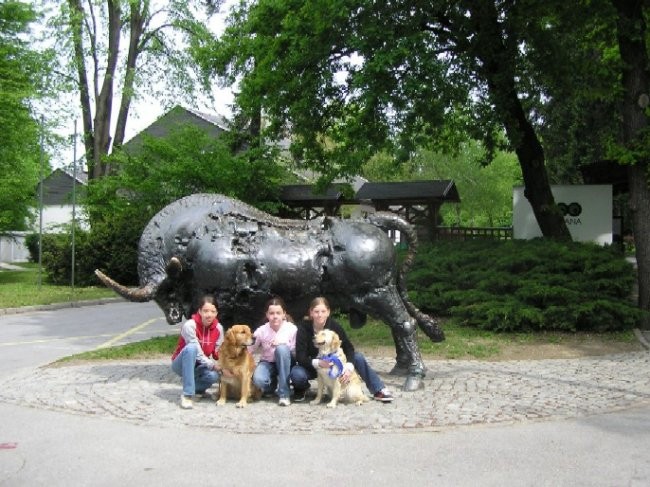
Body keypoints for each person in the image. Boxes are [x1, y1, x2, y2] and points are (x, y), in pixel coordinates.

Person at [290, 296, 394, 402]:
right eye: (316, 311)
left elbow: (349, 348)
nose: (319, 315)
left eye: (323, 311)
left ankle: (379, 389)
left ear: (328, 312)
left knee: (358, 357)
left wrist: (348, 367)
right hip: (313, 366)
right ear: (311, 312)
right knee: (296, 374)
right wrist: (319, 363)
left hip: (334, 366)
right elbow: (300, 357)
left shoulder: (335, 326)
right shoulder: (303, 328)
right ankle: (301, 389)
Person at [171, 295, 224, 409]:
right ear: (199, 311)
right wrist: (213, 365)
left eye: (212, 311)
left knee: (213, 376)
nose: (209, 314)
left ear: (216, 313)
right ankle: (187, 395)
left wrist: (227, 364)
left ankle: (197, 389)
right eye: (205, 311)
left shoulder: (219, 328)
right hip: (181, 363)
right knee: (191, 349)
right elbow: (198, 353)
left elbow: (218, 352)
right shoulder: (190, 325)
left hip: (200, 365)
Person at [248, 296, 297, 406]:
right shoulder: (261, 331)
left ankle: (284, 394)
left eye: (278, 313)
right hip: (268, 362)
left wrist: (283, 345)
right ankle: (271, 385)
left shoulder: (292, 329)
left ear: (284, 314)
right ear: (267, 315)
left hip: (287, 363)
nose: (275, 316)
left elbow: (295, 352)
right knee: (258, 380)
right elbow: (249, 349)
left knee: (281, 349)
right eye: (272, 313)